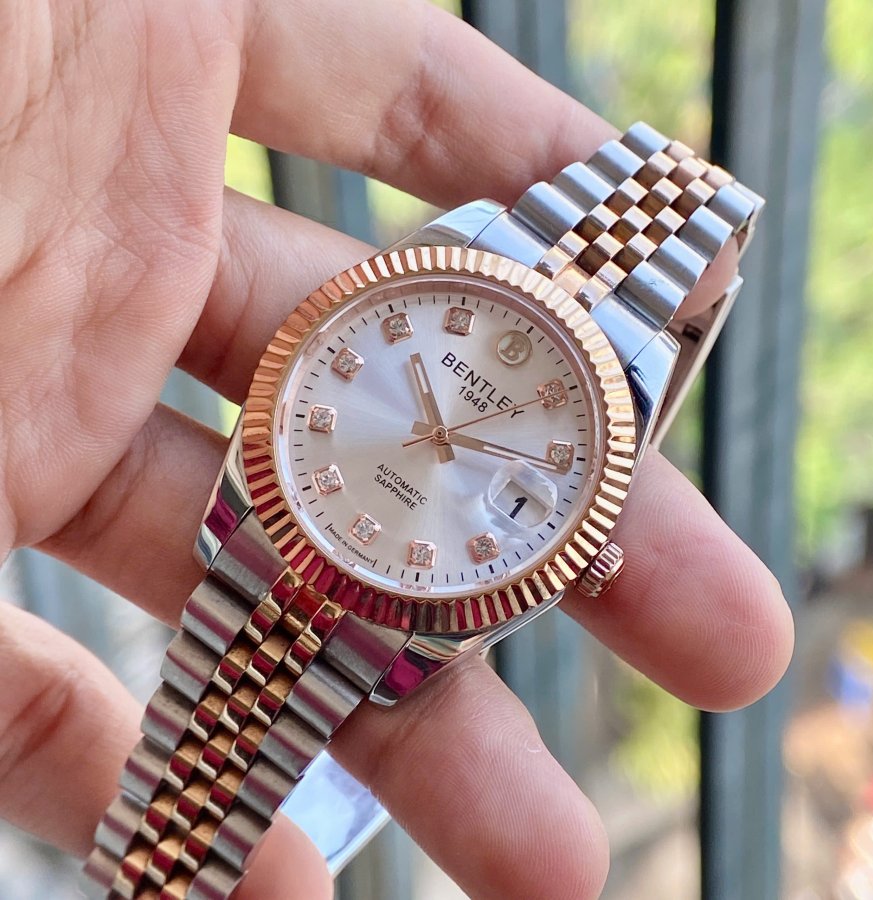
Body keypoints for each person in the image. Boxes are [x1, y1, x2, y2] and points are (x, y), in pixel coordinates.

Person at [0, 2, 794, 897]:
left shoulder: (613, 388)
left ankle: (162, 862)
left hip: (370, 573)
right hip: (297, 507)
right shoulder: (466, 249)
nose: (440, 436)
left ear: (585, 551)